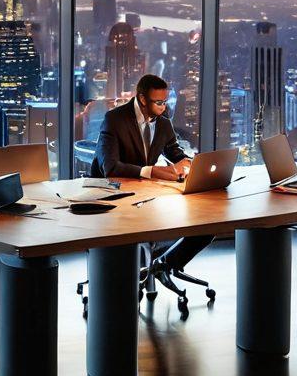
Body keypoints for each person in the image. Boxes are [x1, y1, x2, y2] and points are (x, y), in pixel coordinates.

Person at [89, 73, 213, 280]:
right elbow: (109, 167)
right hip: (113, 195)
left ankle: (165, 265)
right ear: (142, 99)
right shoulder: (115, 119)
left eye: (165, 101)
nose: (163, 107)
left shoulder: (163, 124)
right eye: (159, 102)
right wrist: (151, 171)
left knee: (206, 224)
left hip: (146, 193)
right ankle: (127, 277)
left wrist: (189, 164)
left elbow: (175, 153)